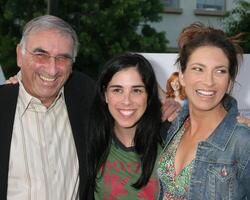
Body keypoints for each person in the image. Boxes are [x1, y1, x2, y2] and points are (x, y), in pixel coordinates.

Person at [0, 15, 95, 199]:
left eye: (62, 58)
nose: (52, 69)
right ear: (20, 55)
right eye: (40, 54)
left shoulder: (85, 98)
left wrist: (167, 103)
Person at [157, 22, 250, 199]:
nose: (208, 81)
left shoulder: (243, 141)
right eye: (198, 69)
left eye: (220, 71)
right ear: (183, 77)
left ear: (229, 82)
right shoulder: (177, 126)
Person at [85, 52, 168, 199]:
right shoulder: (91, 140)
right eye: (117, 90)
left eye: (136, 90)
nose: (127, 101)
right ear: (105, 95)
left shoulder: (169, 141)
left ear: (148, 95)